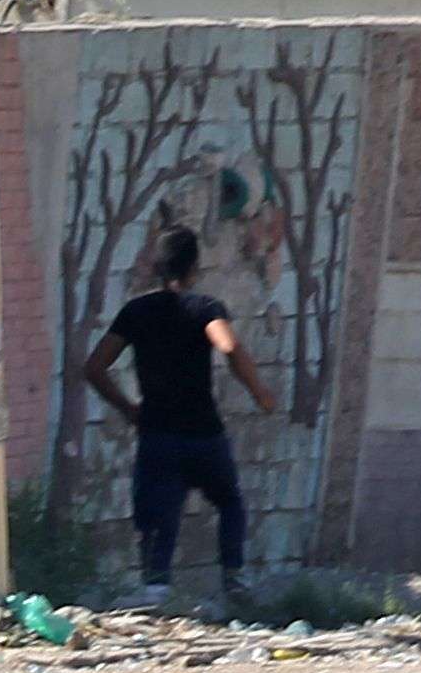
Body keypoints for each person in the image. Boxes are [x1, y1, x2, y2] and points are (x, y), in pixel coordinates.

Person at [81, 226, 279, 605]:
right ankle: (234, 577)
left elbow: (94, 367)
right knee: (229, 502)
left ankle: (157, 589)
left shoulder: (135, 312)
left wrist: (128, 409)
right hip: (205, 434)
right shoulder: (204, 308)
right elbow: (230, 345)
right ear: (194, 268)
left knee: (159, 514)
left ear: (157, 266)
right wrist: (259, 392)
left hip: (158, 433)